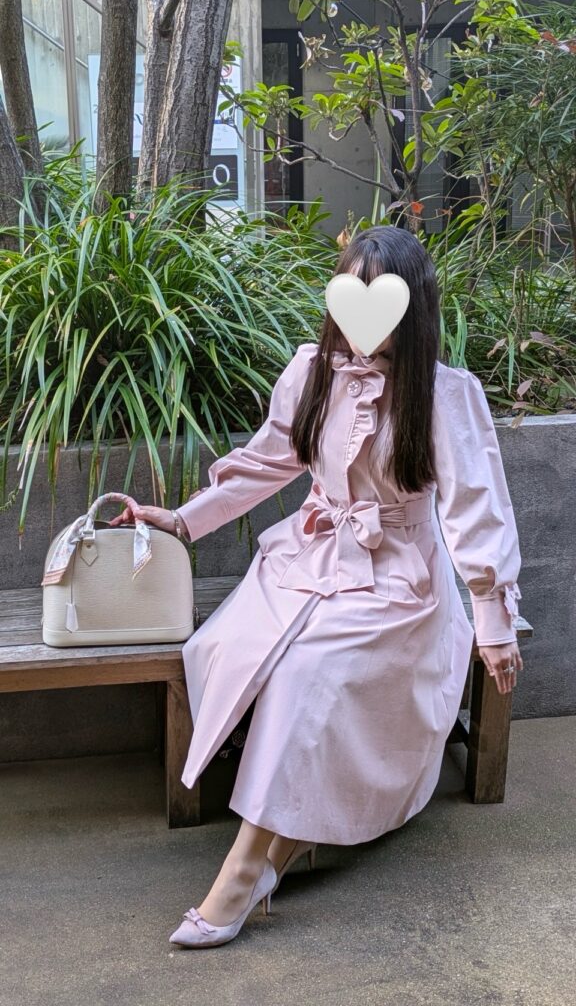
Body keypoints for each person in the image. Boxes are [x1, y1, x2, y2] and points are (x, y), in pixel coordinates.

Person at [110, 225, 524, 950]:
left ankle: (241, 873)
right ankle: (280, 849)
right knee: (228, 649)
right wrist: (182, 519)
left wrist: (491, 619)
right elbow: (267, 463)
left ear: (413, 308)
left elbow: (474, 510)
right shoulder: (312, 371)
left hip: (400, 580)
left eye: (381, 296)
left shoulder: (444, 394)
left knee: (311, 675)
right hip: (306, 558)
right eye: (352, 291)